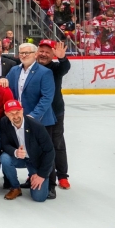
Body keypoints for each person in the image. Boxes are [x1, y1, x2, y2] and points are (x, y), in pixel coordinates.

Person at [0, 100, 55, 202]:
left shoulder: (36, 126)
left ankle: (38, 177)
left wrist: (41, 175)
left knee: (39, 197)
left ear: (22, 110)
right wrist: (15, 152)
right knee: (5, 158)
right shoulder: (4, 122)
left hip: (37, 161)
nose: (15, 116)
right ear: (6, 114)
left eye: (17, 112)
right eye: (11, 113)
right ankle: (15, 187)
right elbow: (4, 144)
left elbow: (49, 151)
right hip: (20, 158)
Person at [36, 39, 72, 193]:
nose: (43, 54)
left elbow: (65, 67)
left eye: (47, 52)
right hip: (37, 112)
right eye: (41, 51)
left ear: (52, 54)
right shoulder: (31, 65)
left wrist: (62, 58)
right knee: (38, 146)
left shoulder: (56, 68)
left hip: (55, 112)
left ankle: (62, 175)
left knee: (56, 143)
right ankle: (36, 173)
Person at [6, 43, 56, 128]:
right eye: (21, 53)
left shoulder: (45, 72)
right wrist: (2, 78)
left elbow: (47, 97)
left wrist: (33, 116)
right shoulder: (14, 70)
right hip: (18, 119)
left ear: (36, 54)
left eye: (27, 53)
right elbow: (7, 90)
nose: (24, 55)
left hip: (40, 121)